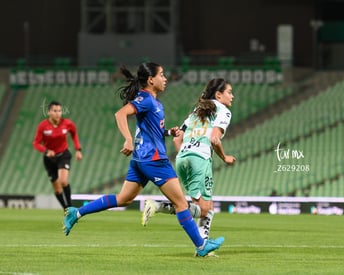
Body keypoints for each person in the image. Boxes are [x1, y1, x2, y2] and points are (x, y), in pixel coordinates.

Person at [63, 62, 224, 256]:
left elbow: (149, 129)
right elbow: (120, 114)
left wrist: (167, 132)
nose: (165, 79)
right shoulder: (146, 99)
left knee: (123, 199)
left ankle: (77, 212)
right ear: (150, 79)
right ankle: (201, 246)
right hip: (154, 160)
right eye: (162, 75)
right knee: (182, 204)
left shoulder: (155, 103)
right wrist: (128, 139)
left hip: (141, 160)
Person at [142, 78, 236, 244]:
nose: (232, 96)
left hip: (182, 158)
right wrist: (225, 157)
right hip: (200, 159)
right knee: (205, 210)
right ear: (219, 95)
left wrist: (187, 154)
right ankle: (158, 206)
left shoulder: (197, 111)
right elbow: (215, 139)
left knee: (206, 206)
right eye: (229, 92)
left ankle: (203, 245)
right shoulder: (223, 111)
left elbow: (177, 139)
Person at [33, 100, 83, 209]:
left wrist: (78, 149)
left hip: (63, 155)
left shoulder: (67, 124)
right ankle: (65, 209)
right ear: (49, 112)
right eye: (55, 111)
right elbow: (36, 143)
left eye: (59, 111)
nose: (57, 113)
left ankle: (70, 209)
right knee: (57, 189)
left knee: (63, 181)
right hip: (49, 159)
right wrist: (46, 151)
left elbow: (74, 134)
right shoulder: (43, 126)